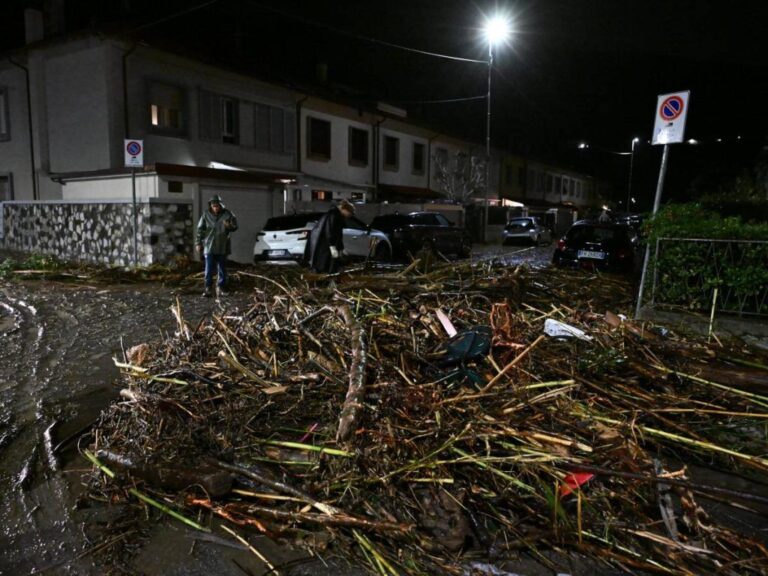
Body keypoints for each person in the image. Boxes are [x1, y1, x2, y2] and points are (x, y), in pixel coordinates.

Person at [196, 195, 238, 297]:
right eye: (213, 206)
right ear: (211, 205)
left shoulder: (228, 214)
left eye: (217, 206)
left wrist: (229, 226)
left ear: (220, 205)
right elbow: (200, 229)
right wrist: (198, 243)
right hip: (209, 245)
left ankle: (222, 287)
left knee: (222, 267)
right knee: (209, 268)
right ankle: (208, 288)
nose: (215, 208)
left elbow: (235, 226)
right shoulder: (206, 214)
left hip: (222, 245)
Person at [304, 200, 355, 273]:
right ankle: (323, 281)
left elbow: (337, 234)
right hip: (325, 246)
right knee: (325, 265)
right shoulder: (333, 215)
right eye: (350, 213)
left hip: (325, 245)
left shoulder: (335, 215)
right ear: (344, 209)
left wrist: (341, 248)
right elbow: (330, 231)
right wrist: (332, 246)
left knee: (327, 264)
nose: (349, 215)